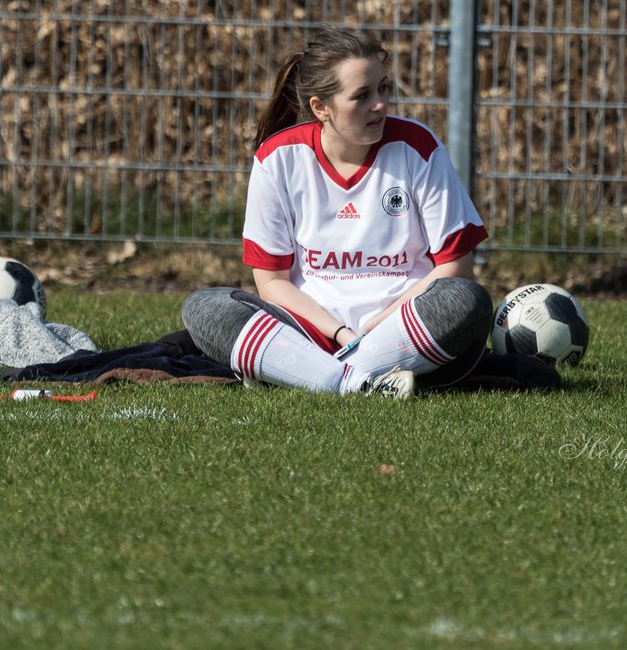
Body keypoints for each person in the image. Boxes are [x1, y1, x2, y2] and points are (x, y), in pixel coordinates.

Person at [181, 27, 492, 398]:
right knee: (203, 307)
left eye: (383, 88)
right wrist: (340, 333)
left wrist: (376, 326)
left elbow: (455, 267)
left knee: (466, 299)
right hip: (309, 331)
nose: (379, 104)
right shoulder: (276, 158)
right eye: (362, 95)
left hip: (401, 329)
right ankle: (358, 381)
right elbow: (272, 282)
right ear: (320, 107)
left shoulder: (418, 146)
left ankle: (304, 373)